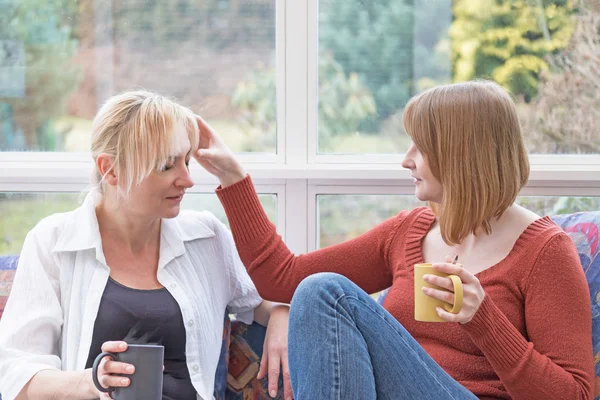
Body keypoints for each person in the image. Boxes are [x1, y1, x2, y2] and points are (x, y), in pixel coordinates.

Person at [194, 80, 594, 399]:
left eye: (420, 147)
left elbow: (574, 394)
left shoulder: (545, 252)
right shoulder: (409, 231)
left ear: (460, 154)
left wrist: (484, 320)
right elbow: (284, 277)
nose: (406, 159)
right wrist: (233, 179)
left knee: (325, 290)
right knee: (317, 290)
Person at [0, 91, 292, 400]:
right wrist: (91, 382)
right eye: (167, 166)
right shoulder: (53, 242)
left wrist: (282, 314)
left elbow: (260, 299)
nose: (187, 180)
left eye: (187, 161)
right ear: (110, 170)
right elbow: (15, 375)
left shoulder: (206, 236)